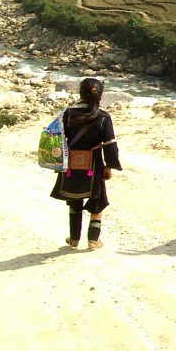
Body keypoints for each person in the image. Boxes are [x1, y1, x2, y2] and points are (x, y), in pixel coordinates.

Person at [50, 78, 122, 250]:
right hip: (94, 163)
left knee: (74, 198)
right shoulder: (103, 117)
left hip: (71, 163)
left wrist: (57, 161)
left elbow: (58, 138)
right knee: (98, 200)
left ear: (80, 93)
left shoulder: (68, 114)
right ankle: (93, 240)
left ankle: (74, 238)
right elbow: (110, 145)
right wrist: (109, 166)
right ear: (101, 94)